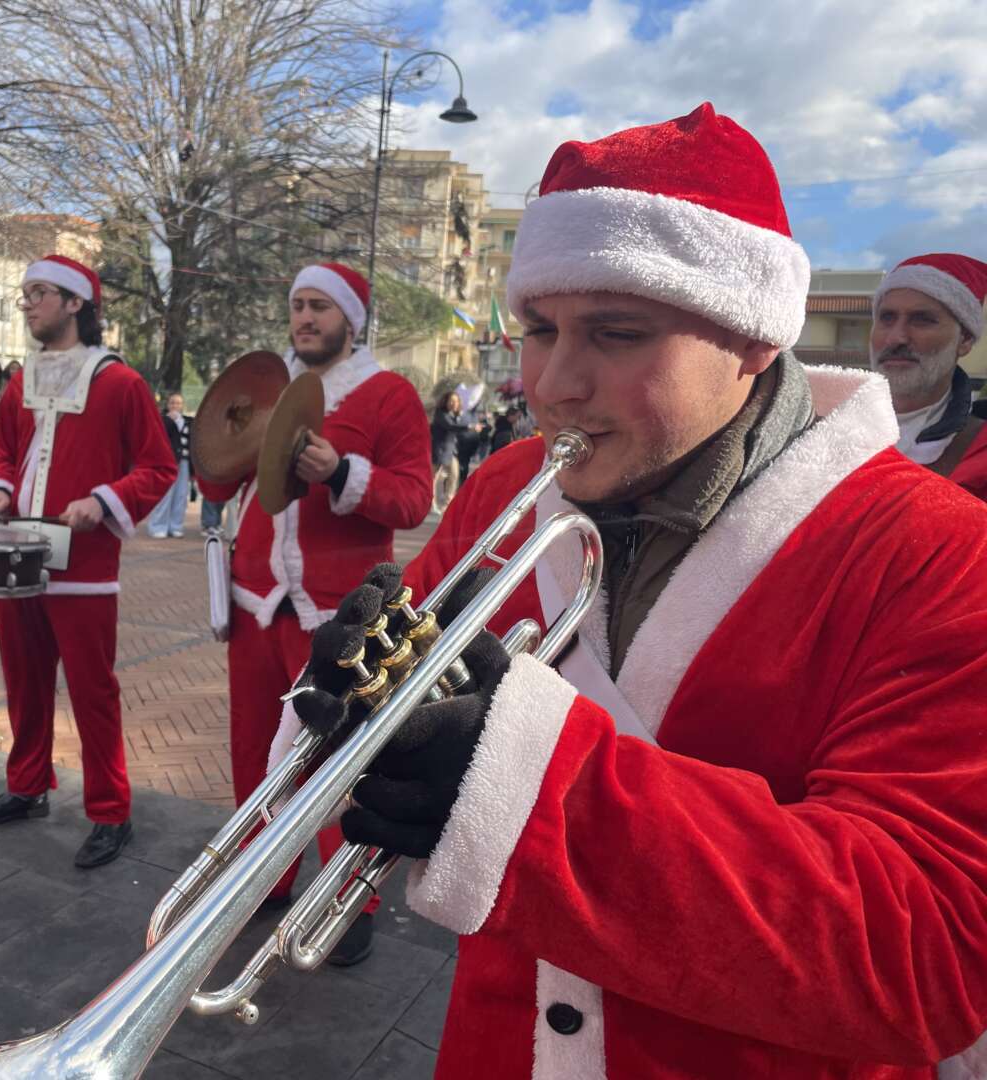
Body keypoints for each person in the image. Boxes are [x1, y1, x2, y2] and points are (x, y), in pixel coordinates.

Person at [279, 104, 987, 1077]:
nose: (555, 384)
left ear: (751, 340)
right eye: (538, 328)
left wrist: (528, 791)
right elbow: (396, 718)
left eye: (614, 333)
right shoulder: (501, 487)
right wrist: (356, 708)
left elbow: (934, 951)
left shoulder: (944, 552)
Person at [196, 262, 432, 965]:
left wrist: (341, 474)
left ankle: (344, 896)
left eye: (319, 307)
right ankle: (262, 879)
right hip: (255, 602)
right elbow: (218, 478)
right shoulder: (266, 391)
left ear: (351, 319)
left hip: (336, 612)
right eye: (297, 304)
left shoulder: (388, 394)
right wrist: (219, 434)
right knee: (252, 752)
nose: (304, 318)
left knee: (336, 762)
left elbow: (413, 501)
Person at [0, 254, 175, 869]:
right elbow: (1, 451)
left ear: (77, 303)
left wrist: (103, 501)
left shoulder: (121, 384)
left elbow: (157, 469)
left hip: (84, 568)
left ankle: (111, 811)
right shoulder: (21, 382)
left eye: (39, 293)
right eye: (25, 294)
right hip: (18, 559)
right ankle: (28, 787)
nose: (27, 303)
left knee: (92, 692)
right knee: (25, 685)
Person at [869, 253, 987, 498]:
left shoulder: (979, 452)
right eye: (887, 318)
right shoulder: (815, 425)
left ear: (964, 340)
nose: (896, 337)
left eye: (922, 320)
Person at [147, 391, 192, 538]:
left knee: (181, 495)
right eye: (173, 402)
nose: (175, 405)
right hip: (167, 461)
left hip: (184, 461)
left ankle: (176, 526)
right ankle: (158, 526)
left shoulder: (189, 421)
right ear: (168, 405)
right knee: (165, 493)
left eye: (178, 403)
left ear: (182, 405)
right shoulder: (162, 420)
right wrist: (170, 422)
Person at [430, 390, 469, 513]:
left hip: (451, 451)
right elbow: (450, 426)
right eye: (451, 401)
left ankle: (448, 503)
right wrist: (468, 427)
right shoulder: (441, 414)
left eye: (456, 401)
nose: (454, 403)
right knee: (434, 478)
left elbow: (458, 427)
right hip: (439, 451)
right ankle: (430, 503)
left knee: (454, 475)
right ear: (445, 402)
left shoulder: (455, 415)